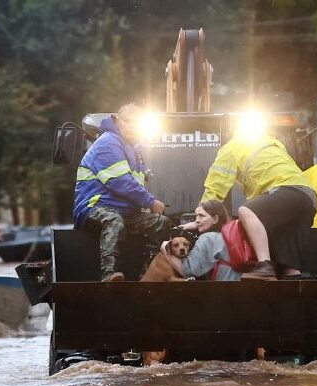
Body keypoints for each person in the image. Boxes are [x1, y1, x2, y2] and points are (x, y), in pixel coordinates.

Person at [201, 129, 317, 280]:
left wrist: (202, 214)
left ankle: (264, 265)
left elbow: (217, 184)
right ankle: (293, 276)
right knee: (284, 241)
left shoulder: (231, 148)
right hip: (308, 196)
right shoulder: (273, 143)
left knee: (246, 211)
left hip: (287, 189)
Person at [72, 103, 171, 281]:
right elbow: (121, 182)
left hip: (125, 212)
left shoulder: (134, 149)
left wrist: (148, 208)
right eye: (127, 121)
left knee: (160, 222)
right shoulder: (108, 143)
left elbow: (136, 185)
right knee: (114, 221)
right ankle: (109, 274)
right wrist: (151, 202)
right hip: (94, 207)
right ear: (117, 122)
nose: (132, 126)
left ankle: (148, 273)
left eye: (136, 123)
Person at [161, 200, 242, 281]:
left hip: (218, 290)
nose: (196, 220)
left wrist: (166, 248)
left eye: (201, 216)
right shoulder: (226, 236)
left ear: (215, 219)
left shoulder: (209, 238)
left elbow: (188, 270)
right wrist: (197, 225)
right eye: (196, 216)